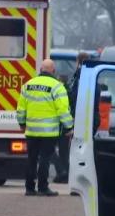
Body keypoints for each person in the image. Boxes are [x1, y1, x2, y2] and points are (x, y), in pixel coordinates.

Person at [16, 58, 74, 197]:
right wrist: (69, 127)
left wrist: (22, 124)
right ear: (53, 71)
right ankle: (43, 187)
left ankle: (29, 188)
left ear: (40, 70)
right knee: (45, 159)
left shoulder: (28, 85)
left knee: (31, 158)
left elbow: (21, 108)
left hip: (31, 131)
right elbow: (63, 110)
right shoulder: (57, 86)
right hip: (49, 132)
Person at [54, 52, 91, 184]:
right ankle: (65, 173)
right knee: (64, 149)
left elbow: (74, 99)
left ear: (78, 61)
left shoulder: (80, 77)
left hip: (71, 119)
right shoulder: (82, 76)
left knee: (55, 148)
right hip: (71, 118)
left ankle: (65, 173)